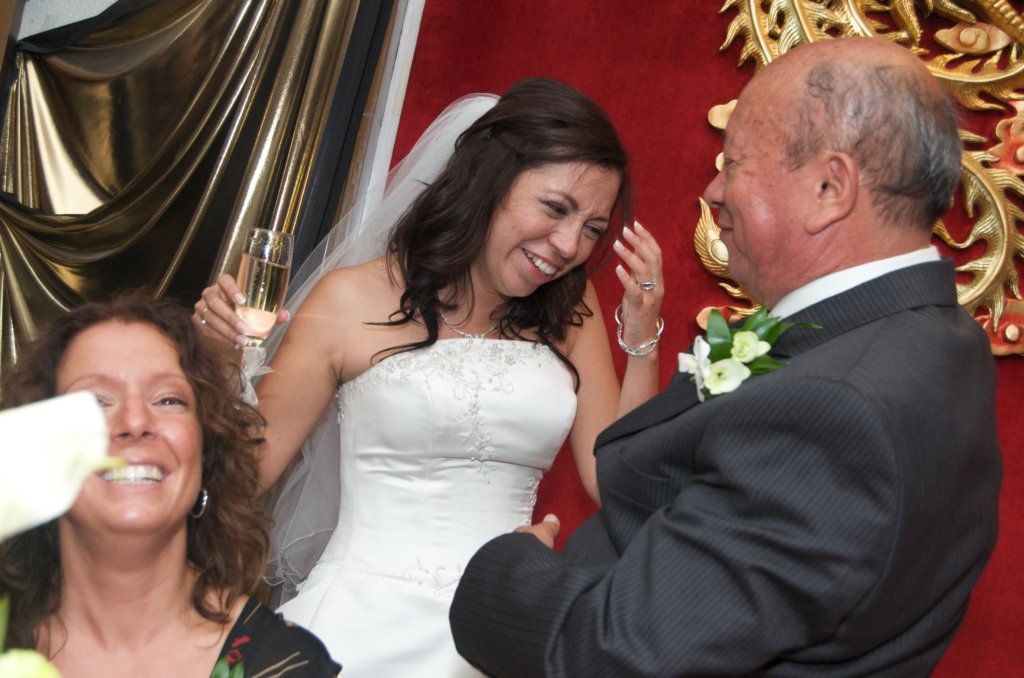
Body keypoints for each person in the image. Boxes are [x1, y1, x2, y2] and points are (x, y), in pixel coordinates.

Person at [449, 37, 1003, 676]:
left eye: (733, 163)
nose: (713, 191)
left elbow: (607, 655)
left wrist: (507, 565)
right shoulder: (940, 339)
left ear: (829, 187)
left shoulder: (832, 411)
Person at [195, 77, 665, 676]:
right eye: (555, 208)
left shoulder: (574, 311)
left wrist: (643, 342)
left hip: (499, 633)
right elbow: (244, 477)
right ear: (489, 180)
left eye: (593, 229)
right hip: (359, 628)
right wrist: (220, 362)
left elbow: (617, 483)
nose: (569, 245)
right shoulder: (348, 299)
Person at [0, 297, 341, 677]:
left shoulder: (288, 665)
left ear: (207, 453)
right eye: (96, 401)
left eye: (167, 399)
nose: (135, 421)